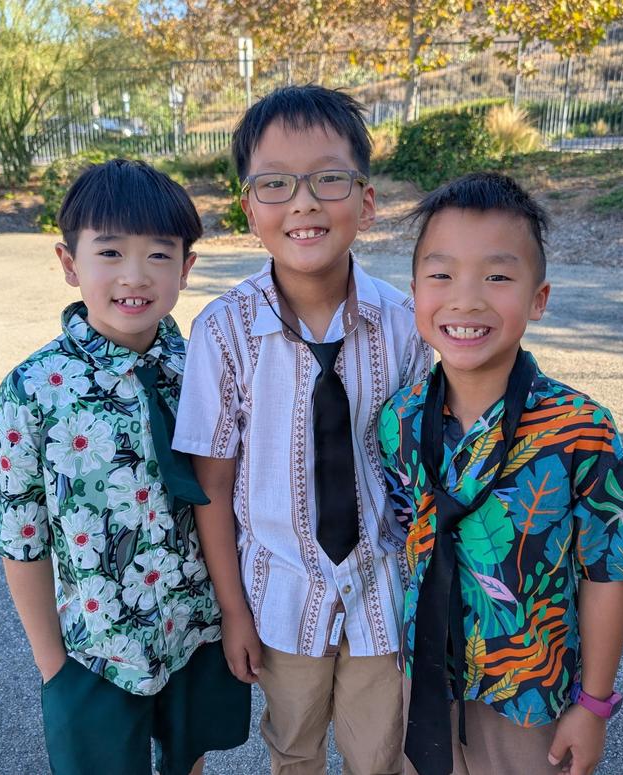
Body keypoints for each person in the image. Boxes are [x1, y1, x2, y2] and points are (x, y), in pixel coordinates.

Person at [0, 158, 250, 775]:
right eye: (109, 252)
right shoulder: (35, 389)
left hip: (196, 628)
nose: (134, 275)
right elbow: (20, 537)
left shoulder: (201, 370)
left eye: (159, 254)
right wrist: (52, 665)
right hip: (95, 649)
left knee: (189, 757)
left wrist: (236, 612)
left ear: (186, 268)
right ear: (69, 263)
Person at [173, 85, 431, 775]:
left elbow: (419, 468)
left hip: (382, 588)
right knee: (293, 750)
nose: (304, 202)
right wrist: (234, 610)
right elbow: (212, 486)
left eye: (328, 179)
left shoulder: (406, 326)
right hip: (280, 597)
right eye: (276, 183)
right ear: (249, 208)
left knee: (381, 754)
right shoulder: (223, 332)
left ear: (366, 202)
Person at [378, 172, 623, 775]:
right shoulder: (398, 419)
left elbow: (608, 574)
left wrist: (593, 705)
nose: (466, 299)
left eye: (497, 276)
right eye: (441, 275)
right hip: (426, 680)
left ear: (538, 299)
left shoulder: (581, 427)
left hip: (531, 697)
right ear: (414, 293)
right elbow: (410, 536)